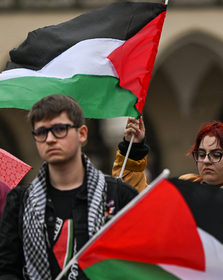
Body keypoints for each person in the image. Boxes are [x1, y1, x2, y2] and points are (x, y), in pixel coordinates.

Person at [0, 94, 138, 280]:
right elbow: (8, 269)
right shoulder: (19, 201)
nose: (49, 139)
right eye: (41, 132)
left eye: (59, 129)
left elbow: (139, 262)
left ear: (82, 133)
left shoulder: (120, 194)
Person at [113, 119, 223, 246]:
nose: (206, 161)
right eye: (201, 154)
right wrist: (134, 149)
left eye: (216, 154)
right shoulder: (180, 192)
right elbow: (135, 198)